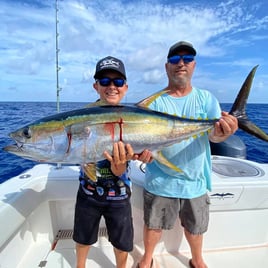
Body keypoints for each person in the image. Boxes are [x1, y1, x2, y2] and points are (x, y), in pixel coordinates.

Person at [137, 41, 238, 268]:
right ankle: (146, 258)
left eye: (187, 59)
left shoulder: (206, 99)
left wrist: (224, 133)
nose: (180, 64)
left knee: (195, 227)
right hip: (160, 178)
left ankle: (197, 259)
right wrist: (142, 153)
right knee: (153, 225)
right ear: (166, 67)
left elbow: (214, 135)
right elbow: (145, 141)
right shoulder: (153, 102)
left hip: (195, 179)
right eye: (174, 59)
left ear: (194, 65)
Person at [73, 56, 151, 268]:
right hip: (87, 192)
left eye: (117, 82)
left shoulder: (131, 117)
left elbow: (121, 170)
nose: (111, 87)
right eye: (105, 81)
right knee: (82, 237)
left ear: (125, 87)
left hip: (120, 194)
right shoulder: (82, 116)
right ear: (96, 86)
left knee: (122, 242)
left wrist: (125, 163)